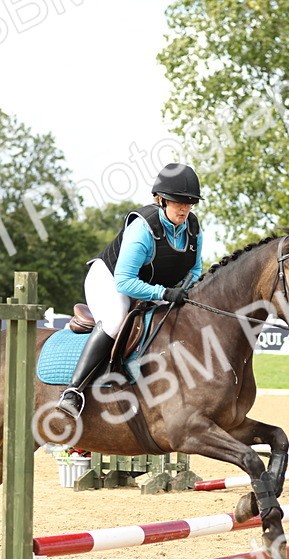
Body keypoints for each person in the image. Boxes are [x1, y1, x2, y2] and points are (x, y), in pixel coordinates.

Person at [56, 163, 204, 419]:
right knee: (116, 318)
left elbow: (195, 269)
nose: (184, 208)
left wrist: (183, 291)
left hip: (150, 286)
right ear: (161, 200)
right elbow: (124, 282)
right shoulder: (142, 227)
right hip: (109, 279)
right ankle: (73, 391)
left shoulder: (192, 228)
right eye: (178, 201)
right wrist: (165, 294)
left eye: (190, 202)